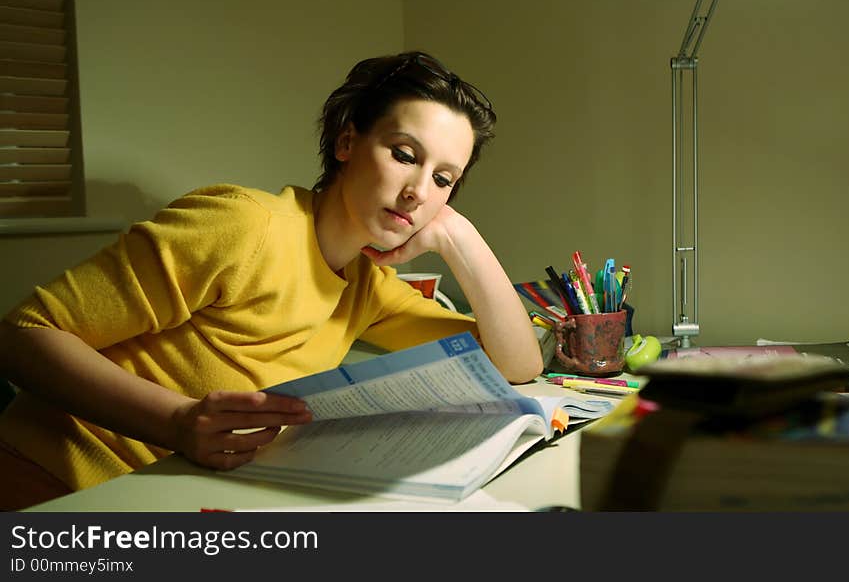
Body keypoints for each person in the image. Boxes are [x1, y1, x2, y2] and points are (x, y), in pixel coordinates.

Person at [0, 50, 543, 510]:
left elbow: (518, 365)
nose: (418, 192)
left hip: (181, 495)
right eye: (404, 155)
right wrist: (178, 422)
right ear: (347, 142)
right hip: (56, 482)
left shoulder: (366, 285)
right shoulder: (244, 226)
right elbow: (21, 334)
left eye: (443, 179)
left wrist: (462, 240)